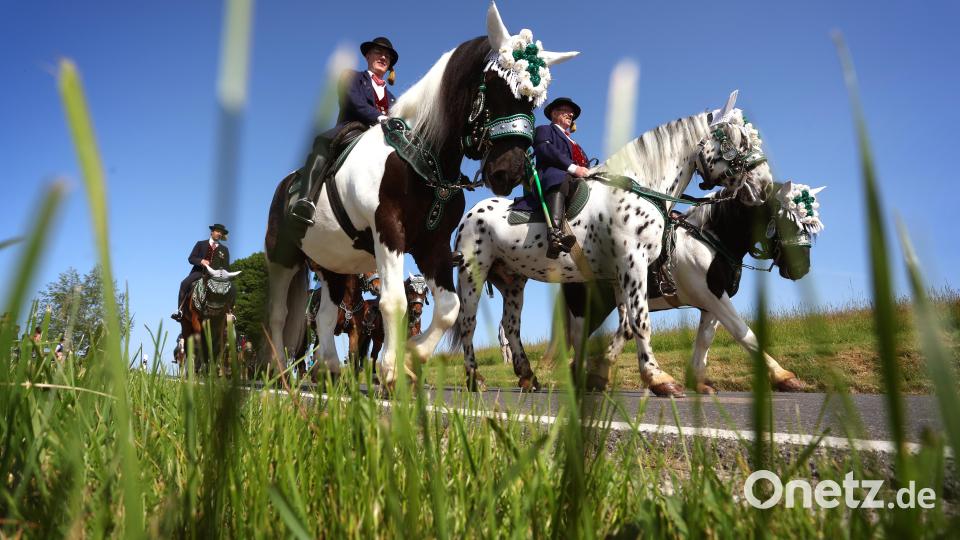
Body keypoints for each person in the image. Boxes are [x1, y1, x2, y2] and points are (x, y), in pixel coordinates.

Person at [290, 36, 400, 225]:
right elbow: (353, 101)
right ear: (367, 56)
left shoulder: (393, 98)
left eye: (387, 56)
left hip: (383, 139)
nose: (383, 57)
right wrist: (379, 117)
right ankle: (305, 199)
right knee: (324, 144)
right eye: (378, 52)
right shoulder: (352, 77)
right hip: (353, 129)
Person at [533, 97, 591, 258]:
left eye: (571, 113)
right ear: (554, 113)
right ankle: (555, 235)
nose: (571, 114)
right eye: (566, 110)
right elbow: (545, 149)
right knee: (560, 177)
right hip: (552, 174)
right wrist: (573, 168)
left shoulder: (574, 141)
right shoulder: (544, 129)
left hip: (576, 178)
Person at [172, 223, 231, 321]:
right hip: (199, 272)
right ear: (212, 232)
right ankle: (180, 311)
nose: (219, 234)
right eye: (217, 231)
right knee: (184, 283)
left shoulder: (224, 249)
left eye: (221, 233)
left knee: (231, 288)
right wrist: (201, 261)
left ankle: (230, 313)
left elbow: (226, 267)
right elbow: (191, 258)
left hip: (216, 276)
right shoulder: (200, 244)